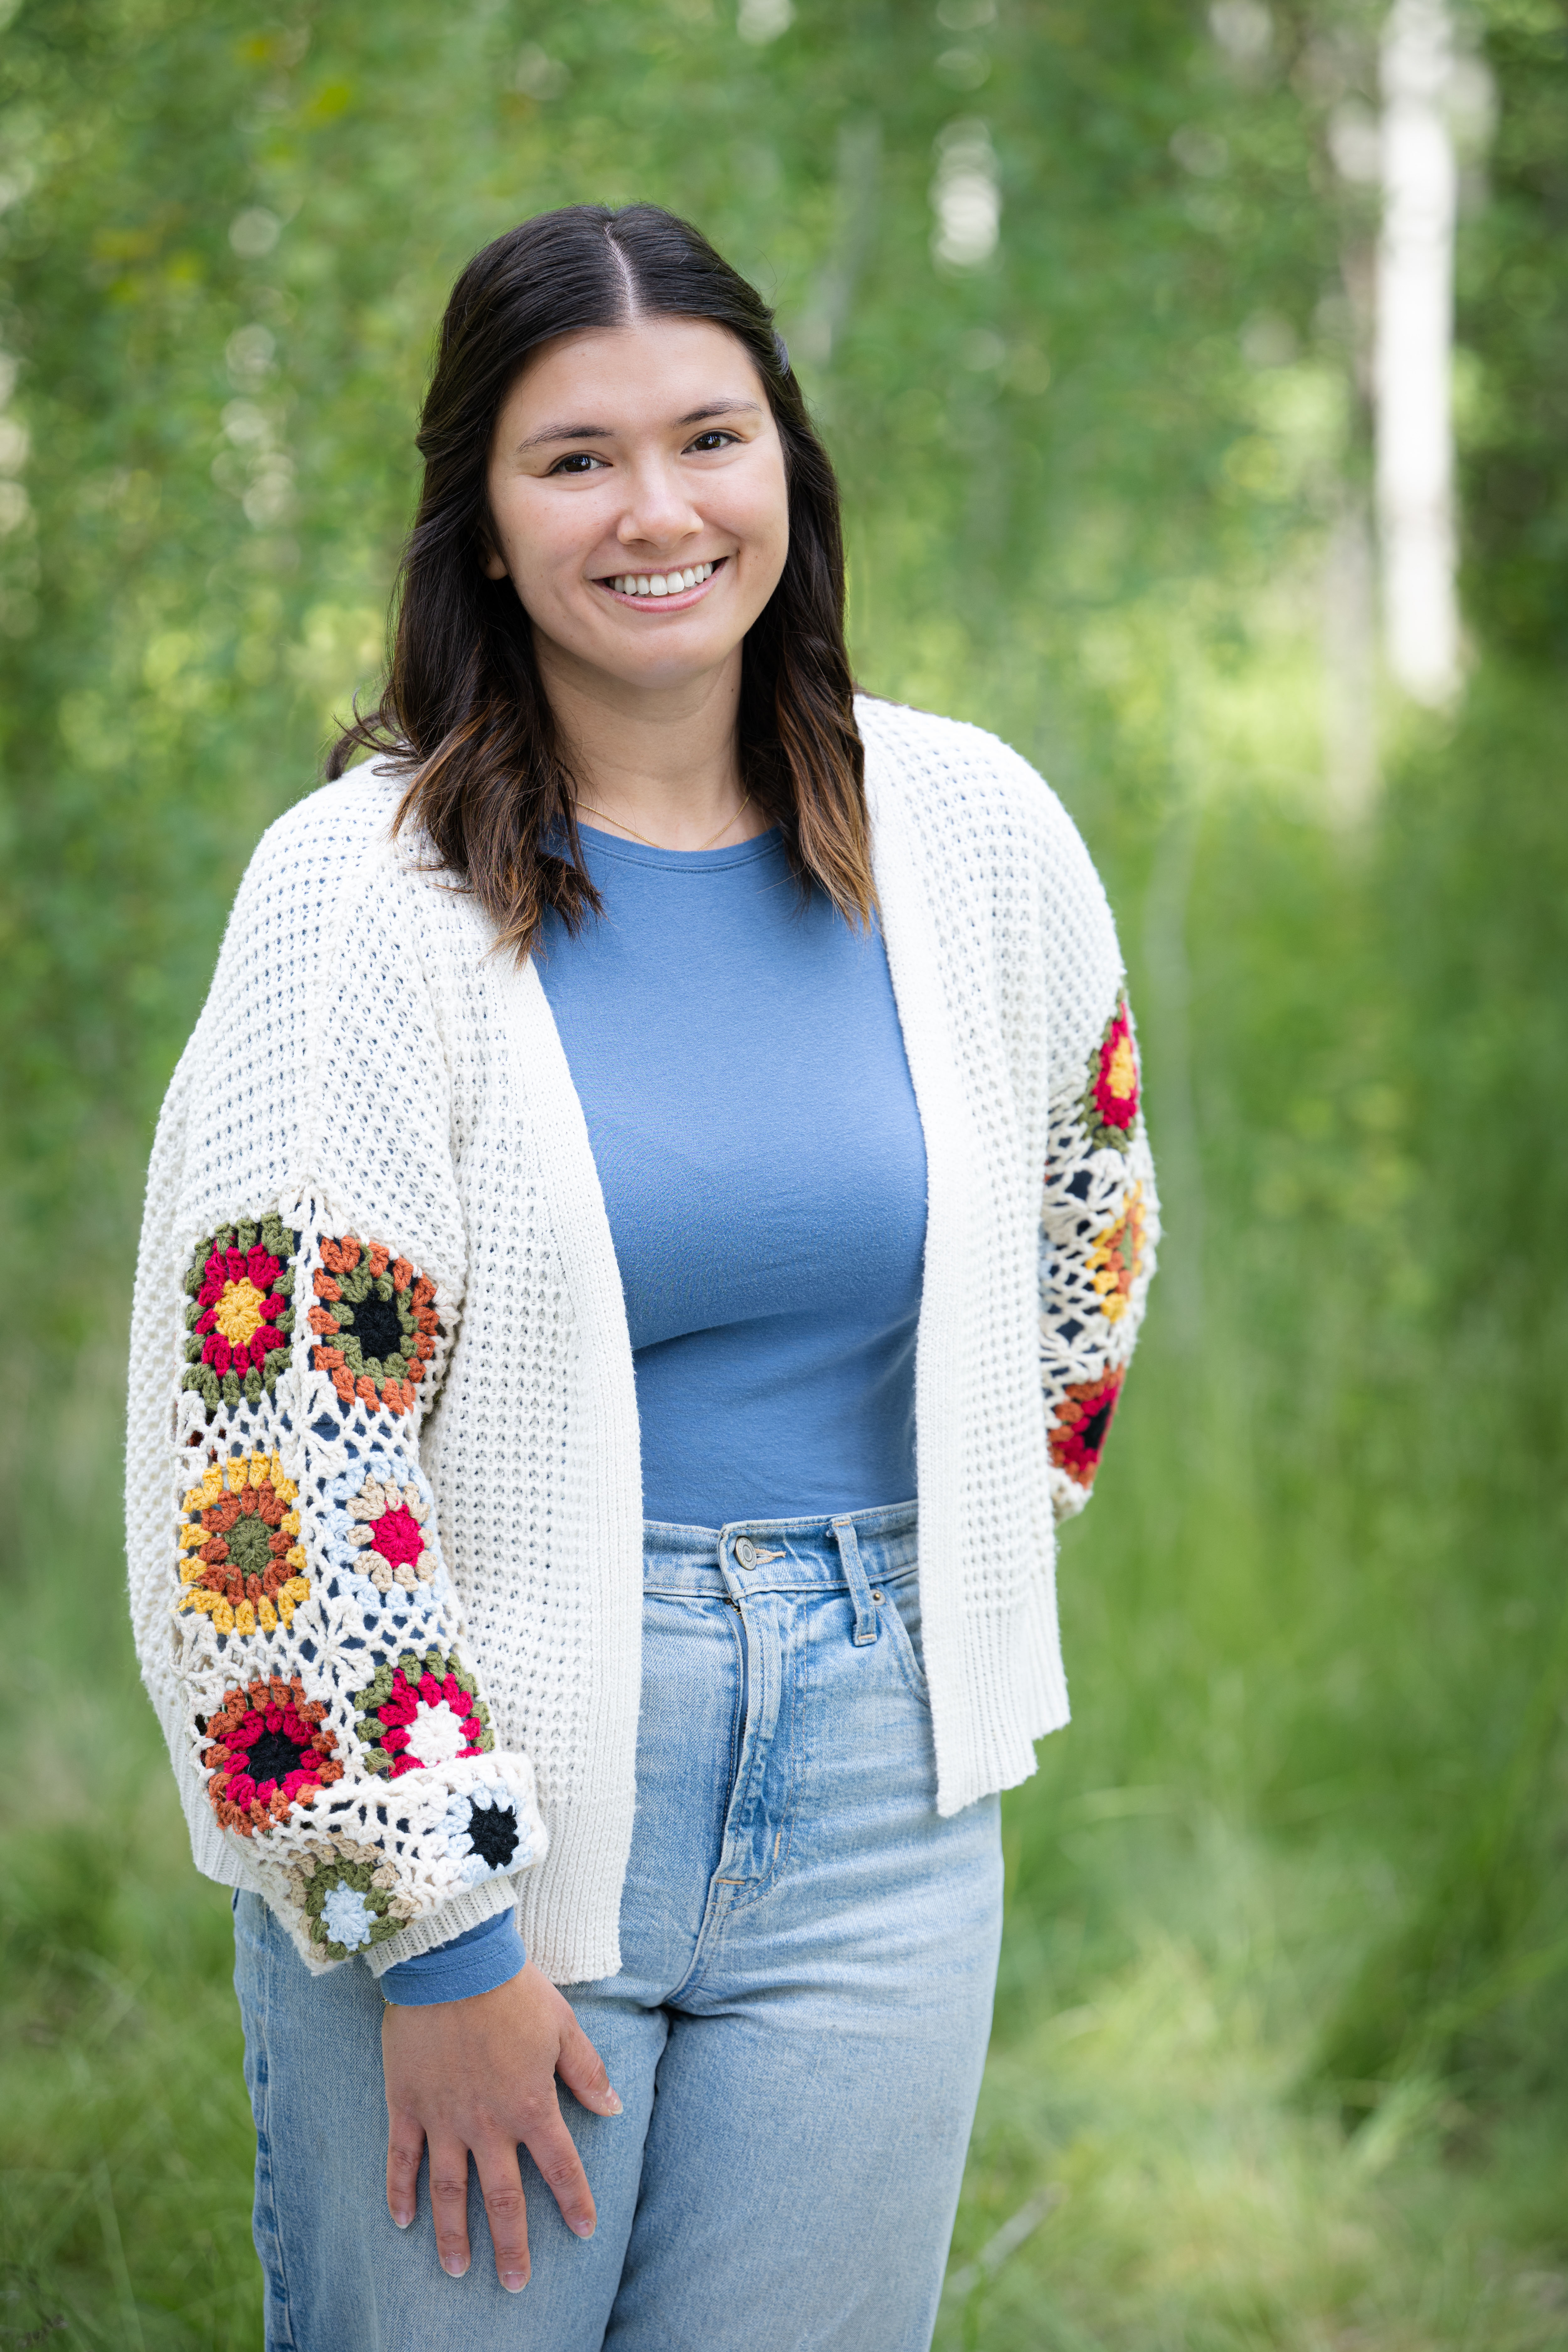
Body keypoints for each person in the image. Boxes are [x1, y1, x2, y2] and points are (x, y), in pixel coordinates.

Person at [124, 202, 1158, 2352]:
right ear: (483, 527)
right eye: (574, 458)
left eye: (712, 435)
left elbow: (1091, 1212)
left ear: (788, 461)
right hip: (486, 1760)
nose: (659, 511)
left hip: (890, 1789)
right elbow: (271, 1454)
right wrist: (428, 1931)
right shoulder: (366, 899)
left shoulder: (967, 830)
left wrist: (956, 1539)